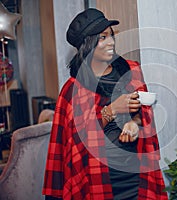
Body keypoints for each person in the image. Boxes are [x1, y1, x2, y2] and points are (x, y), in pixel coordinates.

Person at [42, 8, 168, 200]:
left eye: (111, 36)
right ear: (87, 44)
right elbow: (74, 140)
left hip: (136, 174)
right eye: (102, 38)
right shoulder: (72, 89)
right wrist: (112, 110)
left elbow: (144, 112)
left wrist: (135, 123)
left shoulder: (131, 70)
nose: (111, 42)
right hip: (96, 178)